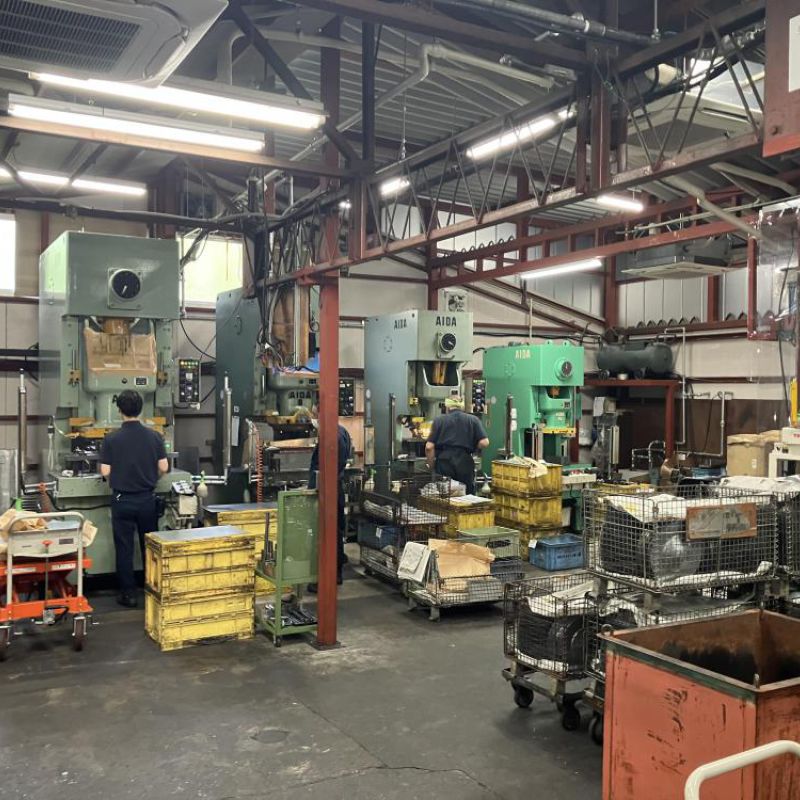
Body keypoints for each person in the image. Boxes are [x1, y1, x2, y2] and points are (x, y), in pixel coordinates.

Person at [99, 390, 169, 608]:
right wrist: (150, 477)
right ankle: (153, 591)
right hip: (147, 499)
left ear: (119, 410)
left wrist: (120, 476)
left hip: (123, 500)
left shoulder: (111, 439)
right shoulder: (154, 436)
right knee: (150, 547)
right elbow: (164, 467)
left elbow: (105, 471)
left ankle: (128, 595)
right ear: (141, 409)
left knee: (124, 548)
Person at [307, 423, 352, 591]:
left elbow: (328, 466)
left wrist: (315, 488)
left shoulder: (333, 435)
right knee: (334, 532)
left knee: (326, 533)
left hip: (328, 490)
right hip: (333, 488)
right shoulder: (341, 431)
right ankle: (334, 573)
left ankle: (327, 576)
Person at [426, 396, 489, 495]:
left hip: (444, 461)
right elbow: (484, 442)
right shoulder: (473, 419)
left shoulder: (439, 420)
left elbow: (429, 447)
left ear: (447, 406)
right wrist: (474, 447)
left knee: (444, 495)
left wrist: (431, 465)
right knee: (467, 495)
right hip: (464, 461)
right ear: (462, 406)